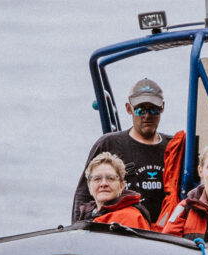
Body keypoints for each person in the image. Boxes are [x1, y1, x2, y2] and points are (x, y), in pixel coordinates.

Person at [71, 78, 172, 224]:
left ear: (162, 107)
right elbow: (83, 195)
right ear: (128, 109)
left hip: (165, 236)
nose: (147, 115)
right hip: (123, 232)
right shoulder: (108, 144)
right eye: (140, 110)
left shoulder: (175, 146)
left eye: (153, 109)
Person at [80, 152, 152, 230]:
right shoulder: (88, 215)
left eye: (111, 178)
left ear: (122, 185)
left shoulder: (129, 217)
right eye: (97, 179)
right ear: (89, 186)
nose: (103, 184)